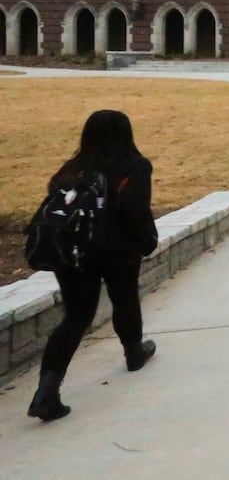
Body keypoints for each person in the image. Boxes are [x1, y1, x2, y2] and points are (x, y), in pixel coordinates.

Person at [27, 109, 160, 422]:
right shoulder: (135, 165)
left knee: (75, 316)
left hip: (74, 253)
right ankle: (133, 353)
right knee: (125, 298)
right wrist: (147, 241)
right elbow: (134, 210)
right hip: (118, 251)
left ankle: (47, 389)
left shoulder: (72, 169)